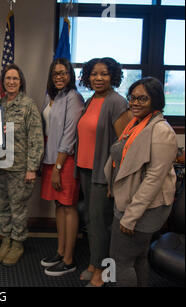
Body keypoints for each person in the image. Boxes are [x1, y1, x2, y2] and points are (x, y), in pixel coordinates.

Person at [105, 77, 177, 287]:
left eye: (142, 98)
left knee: (120, 260)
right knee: (137, 257)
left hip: (143, 207)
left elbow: (154, 179)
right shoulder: (137, 123)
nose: (135, 102)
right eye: (133, 97)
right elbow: (126, 161)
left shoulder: (161, 131)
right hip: (129, 200)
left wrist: (130, 217)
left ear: (155, 100)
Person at [75, 57, 132, 287]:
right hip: (86, 169)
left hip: (103, 174)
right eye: (94, 74)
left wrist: (113, 180)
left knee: (100, 223)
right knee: (90, 219)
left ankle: (102, 271)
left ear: (113, 77)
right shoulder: (90, 100)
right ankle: (93, 262)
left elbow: (123, 146)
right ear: (88, 77)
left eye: (104, 74)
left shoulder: (116, 102)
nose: (98, 78)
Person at [0, 64, 44, 266]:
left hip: (20, 168)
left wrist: (32, 168)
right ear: (3, 81)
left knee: (17, 208)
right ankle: (6, 240)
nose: (11, 82)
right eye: (8, 78)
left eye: (15, 79)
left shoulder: (28, 105)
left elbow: (36, 139)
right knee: (1, 206)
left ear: (21, 82)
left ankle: (18, 243)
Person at [39, 58, 84, 276]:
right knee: (59, 205)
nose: (59, 76)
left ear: (70, 75)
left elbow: (69, 134)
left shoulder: (74, 98)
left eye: (63, 73)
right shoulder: (51, 96)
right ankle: (59, 251)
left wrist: (58, 166)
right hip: (50, 157)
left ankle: (69, 259)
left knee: (69, 207)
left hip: (64, 160)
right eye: (55, 73)